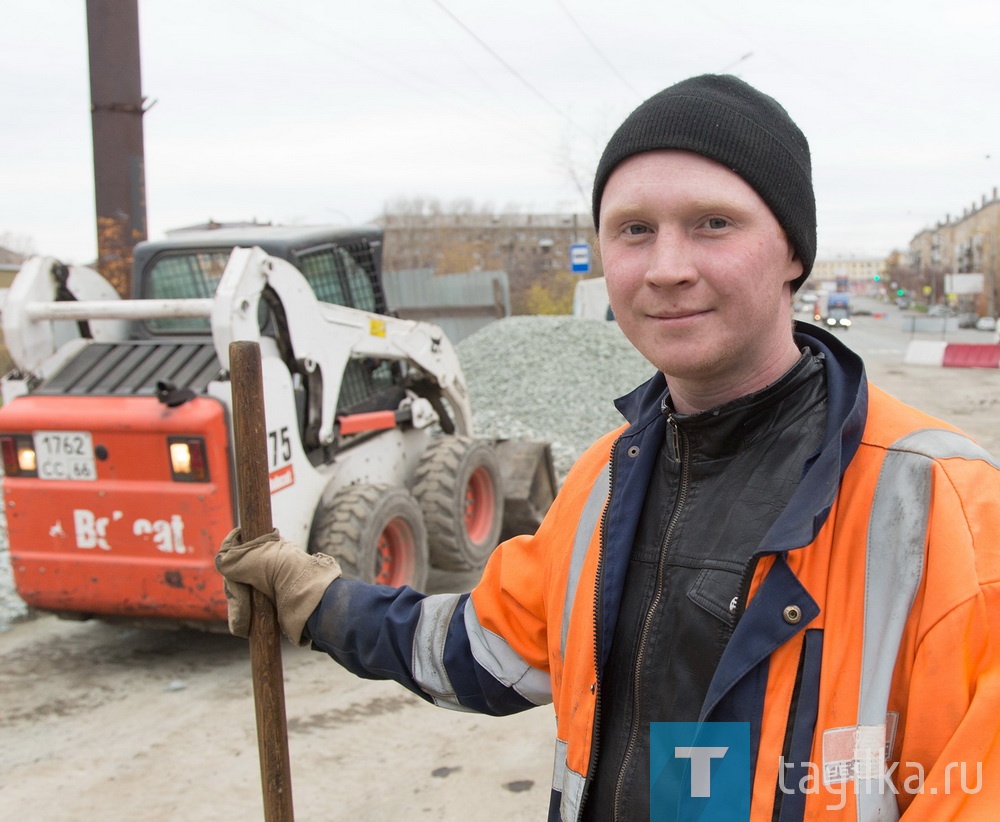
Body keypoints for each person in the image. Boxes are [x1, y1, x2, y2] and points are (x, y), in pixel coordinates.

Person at [216, 74, 1000, 820]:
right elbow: (484, 651)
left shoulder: (949, 509)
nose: (666, 269)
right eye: (633, 231)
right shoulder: (604, 481)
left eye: (712, 224)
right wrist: (321, 601)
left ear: (794, 252)